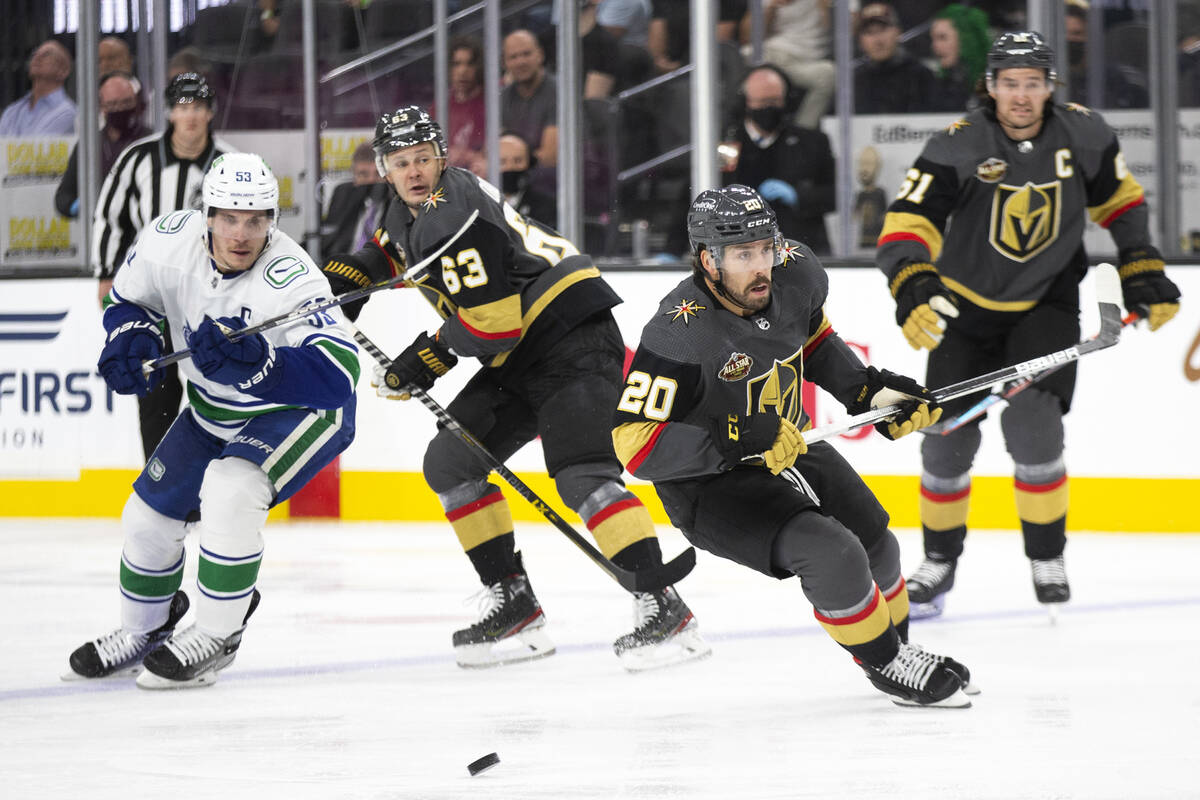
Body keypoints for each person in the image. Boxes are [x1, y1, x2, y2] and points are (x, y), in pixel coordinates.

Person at [320, 106, 710, 671]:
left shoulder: (450, 213)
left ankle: (663, 605)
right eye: (401, 163)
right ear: (384, 168)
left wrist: (426, 357)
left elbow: (494, 322)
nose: (414, 171)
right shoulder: (411, 208)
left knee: (583, 476)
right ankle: (516, 604)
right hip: (521, 353)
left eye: (423, 159)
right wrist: (356, 272)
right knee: (452, 462)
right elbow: (391, 247)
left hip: (569, 335)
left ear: (441, 157)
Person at [612, 183, 974, 707]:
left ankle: (899, 651)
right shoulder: (678, 333)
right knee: (833, 552)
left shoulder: (795, 270)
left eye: (765, 248)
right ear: (707, 260)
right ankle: (889, 664)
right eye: (743, 255)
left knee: (878, 542)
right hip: (709, 483)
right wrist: (735, 435)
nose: (761, 266)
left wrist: (866, 390)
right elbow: (635, 446)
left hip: (788, 444)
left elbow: (814, 338)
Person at [875, 32, 1181, 619]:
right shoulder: (957, 145)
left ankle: (1047, 556)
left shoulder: (1085, 134)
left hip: (1046, 304)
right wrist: (913, 282)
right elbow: (908, 221)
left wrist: (1140, 262)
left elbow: (1120, 199)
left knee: (1034, 425)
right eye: (1010, 83)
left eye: (1033, 83)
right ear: (990, 87)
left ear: (1050, 87)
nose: (1021, 95)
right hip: (964, 308)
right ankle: (938, 563)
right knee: (945, 442)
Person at [65, 152, 359, 688]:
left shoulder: (291, 277)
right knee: (146, 516)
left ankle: (219, 632)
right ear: (206, 214)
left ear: (272, 219)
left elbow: (340, 375)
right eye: (228, 218)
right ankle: (145, 629)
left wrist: (263, 366)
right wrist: (133, 337)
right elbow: (131, 301)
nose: (242, 233)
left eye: (256, 219)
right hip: (211, 410)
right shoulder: (167, 239)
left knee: (230, 488)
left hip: (299, 412)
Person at [93, 72, 235, 462]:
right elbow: (111, 217)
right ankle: (160, 479)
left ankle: (217, 476)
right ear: (170, 113)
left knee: (218, 382)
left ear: (210, 113)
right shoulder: (138, 158)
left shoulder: (229, 163)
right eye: (183, 108)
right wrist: (106, 272)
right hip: (152, 291)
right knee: (155, 384)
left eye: (198, 108)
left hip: (210, 292)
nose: (190, 117)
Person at [723, 63, 834, 255]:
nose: (769, 108)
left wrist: (798, 196)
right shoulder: (726, 144)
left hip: (801, 250)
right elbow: (702, 196)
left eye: (775, 101)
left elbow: (836, 194)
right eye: (762, 101)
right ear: (745, 103)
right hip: (739, 251)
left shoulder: (813, 142)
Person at [54, 71, 152, 219]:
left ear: (137, 103)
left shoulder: (150, 140)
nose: (119, 109)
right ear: (101, 106)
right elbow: (63, 197)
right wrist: (80, 206)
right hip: (101, 228)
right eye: (112, 104)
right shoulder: (89, 145)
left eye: (126, 102)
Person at [738, 0, 835, 129]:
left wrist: (825, 5)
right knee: (740, 57)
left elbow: (843, 32)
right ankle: (739, 131)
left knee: (829, 74)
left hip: (805, 62)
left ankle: (802, 132)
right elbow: (747, 38)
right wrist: (770, 7)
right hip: (771, 53)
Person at [853, 1, 937, 114]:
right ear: (860, 41)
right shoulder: (852, 83)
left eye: (883, 30)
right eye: (869, 32)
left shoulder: (921, 77)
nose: (878, 40)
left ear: (898, 32)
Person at [1064, 3, 1148, 110]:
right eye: (1064, 33)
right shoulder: (1049, 81)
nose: (1070, 39)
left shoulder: (1116, 81)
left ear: (1091, 37)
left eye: (1077, 33)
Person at [320, 141, 389, 255]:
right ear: (354, 177)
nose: (371, 181)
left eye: (378, 174)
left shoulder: (397, 205)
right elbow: (327, 239)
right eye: (364, 174)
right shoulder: (343, 195)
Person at [0, 39, 77, 137]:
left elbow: (39, 148)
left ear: (63, 71)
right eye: (34, 54)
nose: (37, 57)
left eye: (47, 54)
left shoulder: (68, 113)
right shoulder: (12, 111)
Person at [926, 4, 990, 113]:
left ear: (967, 40)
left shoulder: (997, 84)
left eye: (942, 38)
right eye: (933, 39)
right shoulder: (936, 85)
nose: (934, 46)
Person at [441, 35, 487, 175]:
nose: (463, 71)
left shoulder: (491, 100)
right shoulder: (442, 103)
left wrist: (469, 156)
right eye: (457, 64)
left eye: (469, 64)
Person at [499, 130, 556, 229]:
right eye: (502, 162)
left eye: (518, 161)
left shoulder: (545, 206)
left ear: (530, 163)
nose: (510, 167)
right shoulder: (479, 203)